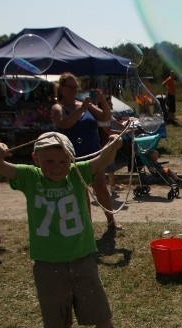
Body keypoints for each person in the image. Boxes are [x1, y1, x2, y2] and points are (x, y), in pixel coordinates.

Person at [0, 132, 133, 328]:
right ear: (36, 159)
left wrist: (114, 144)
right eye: (49, 162)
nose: (57, 168)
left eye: (63, 161)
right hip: (47, 264)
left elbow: (102, 159)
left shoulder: (78, 173)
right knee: (59, 317)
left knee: (100, 313)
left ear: (72, 160)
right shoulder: (29, 177)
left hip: (83, 259)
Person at [50, 73, 120, 231]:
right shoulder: (58, 107)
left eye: (76, 87)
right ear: (60, 88)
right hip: (73, 155)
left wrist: (102, 100)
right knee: (81, 191)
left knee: (101, 186)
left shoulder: (84, 104)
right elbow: (64, 124)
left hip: (93, 152)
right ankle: (87, 225)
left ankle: (111, 221)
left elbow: (105, 119)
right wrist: (82, 108)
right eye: (70, 87)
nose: (74, 90)